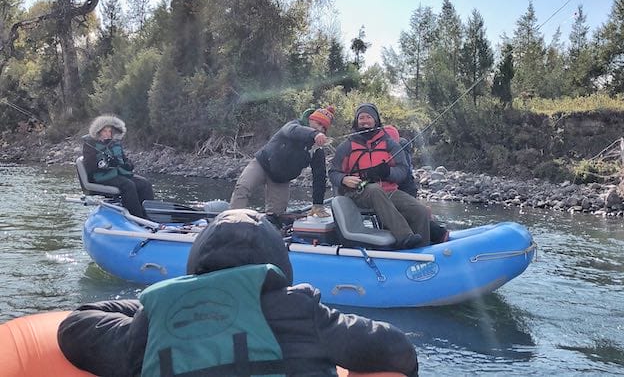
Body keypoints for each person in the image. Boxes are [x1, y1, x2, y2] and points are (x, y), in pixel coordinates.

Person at [57, 209, 419, 377]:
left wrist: (146, 305)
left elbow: (75, 327)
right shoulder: (303, 312)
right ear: (278, 261)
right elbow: (397, 348)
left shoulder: (156, 320)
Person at [329, 104, 430, 250]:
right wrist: (343, 179)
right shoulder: (347, 146)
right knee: (375, 189)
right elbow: (333, 172)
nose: (364, 121)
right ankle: (404, 237)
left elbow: (403, 171)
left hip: (388, 192)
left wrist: (387, 172)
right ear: (356, 121)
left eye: (368, 117)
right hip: (358, 193)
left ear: (376, 120)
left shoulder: (390, 144)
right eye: (361, 118)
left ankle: (422, 251)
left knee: (419, 211)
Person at [230, 106, 335, 218]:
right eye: (318, 123)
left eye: (323, 127)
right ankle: (232, 220)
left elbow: (319, 176)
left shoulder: (317, 149)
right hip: (262, 164)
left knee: (276, 215)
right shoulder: (293, 126)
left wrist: (318, 204)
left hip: (281, 179)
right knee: (242, 188)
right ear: (310, 119)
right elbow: (292, 131)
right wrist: (314, 134)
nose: (320, 128)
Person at [382, 125, 449, 244]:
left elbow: (398, 172)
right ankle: (435, 232)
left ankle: (437, 234)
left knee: (406, 215)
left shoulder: (395, 149)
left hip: (402, 186)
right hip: (404, 186)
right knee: (410, 214)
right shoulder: (400, 145)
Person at [82, 115, 154, 218]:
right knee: (128, 185)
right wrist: (105, 165)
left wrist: (128, 165)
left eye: (110, 131)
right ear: (98, 132)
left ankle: (150, 215)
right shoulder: (90, 145)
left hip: (118, 174)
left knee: (145, 183)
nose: (108, 134)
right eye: (105, 131)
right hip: (101, 176)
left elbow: (124, 160)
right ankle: (136, 217)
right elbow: (89, 167)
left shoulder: (115, 144)